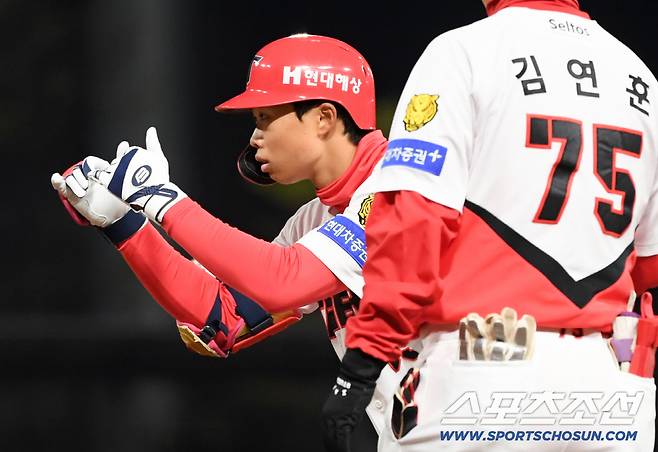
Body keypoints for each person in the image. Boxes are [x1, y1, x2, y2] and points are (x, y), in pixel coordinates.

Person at [50, 34, 419, 447]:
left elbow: (284, 280)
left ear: (323, 118)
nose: (255, 137)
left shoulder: (402, 185)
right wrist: (125, 224)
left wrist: (163, 200)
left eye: (265, 117)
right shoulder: (316, 219)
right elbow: (223, 318)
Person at [320, 1, 658, 451]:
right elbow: (650, 266)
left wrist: (363, 361)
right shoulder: (641, 79)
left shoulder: (463, 52)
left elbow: (414, 225)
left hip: (481, 365)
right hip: (604, 381)